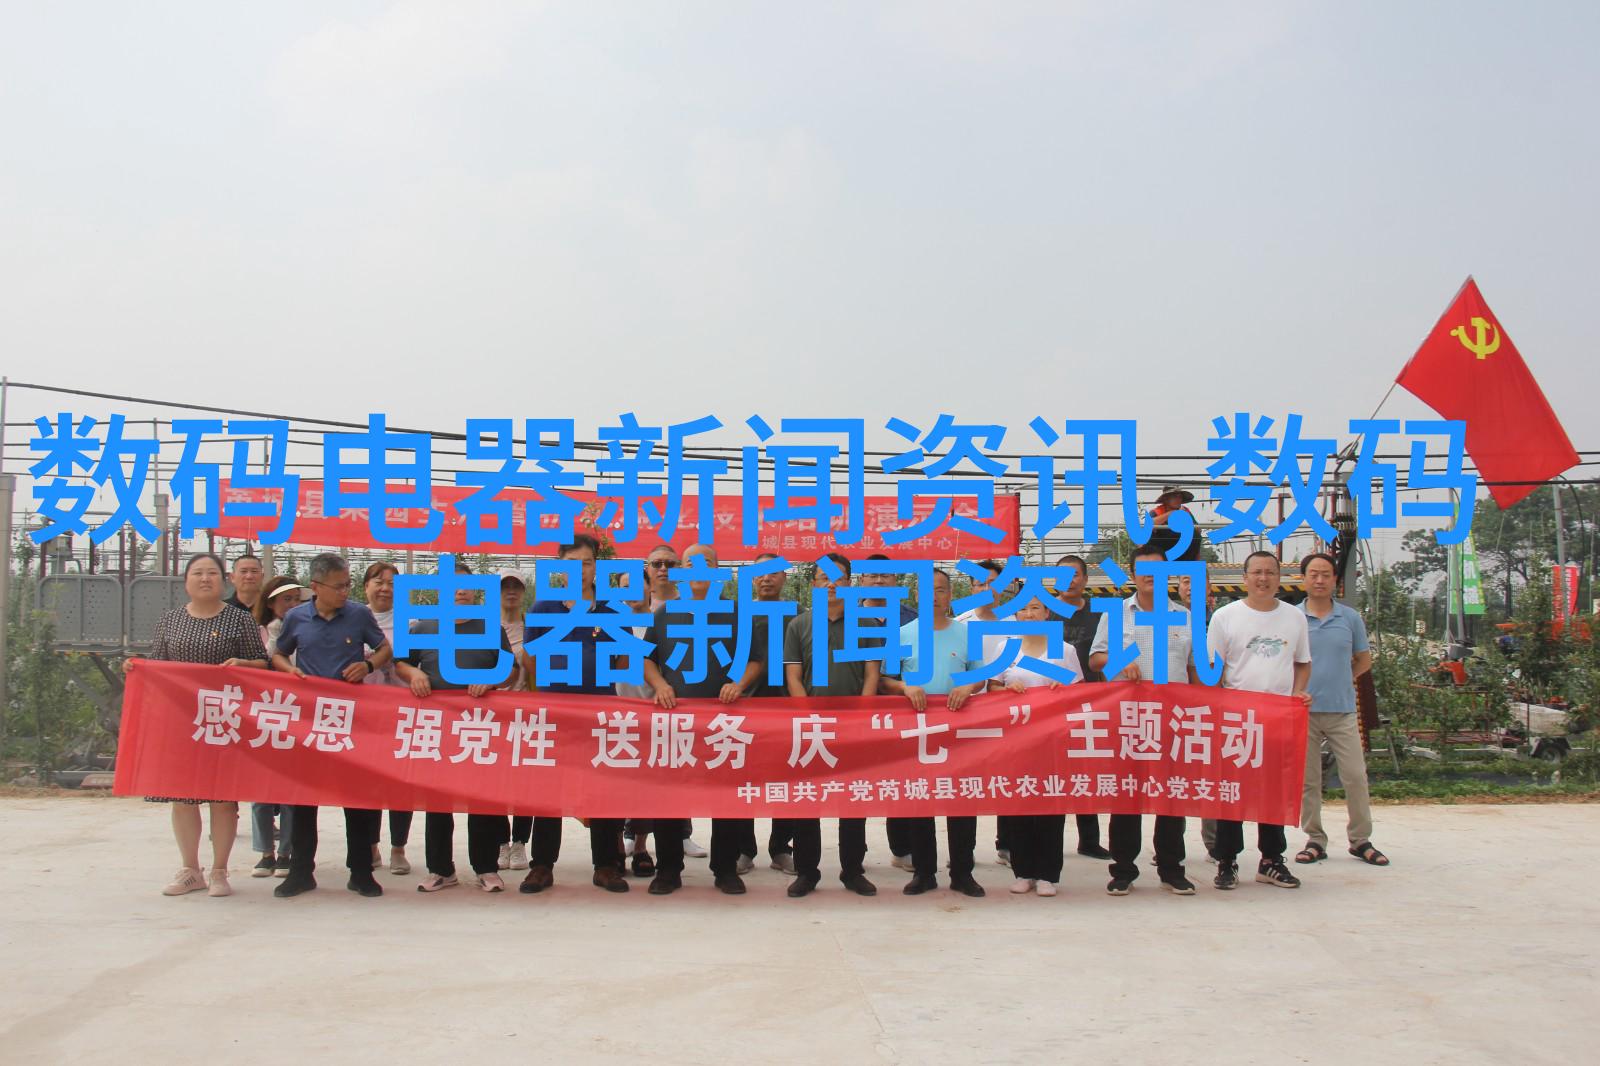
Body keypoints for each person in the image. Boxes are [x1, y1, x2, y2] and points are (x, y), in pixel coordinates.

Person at [134, 552, 268, 897]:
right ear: (186, 582)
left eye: (212, 573)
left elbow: (263, 664)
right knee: (184, 797)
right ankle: (190, 869)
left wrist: (243, 664)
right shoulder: (170, 620)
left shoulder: (239, 619)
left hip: (224, 721)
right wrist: (136, 669)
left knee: (222, 798)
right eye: (198, 573)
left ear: (224, 581)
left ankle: (220, 870)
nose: (205, 579)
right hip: (180, 722)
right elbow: (157, 666)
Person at [641, 544, 770, 894]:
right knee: (669, 797)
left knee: (724, 797)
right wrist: (660, 685)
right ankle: (668, 870)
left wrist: (738, 683)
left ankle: (725, 869)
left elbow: (755, 660)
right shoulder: (665, 614)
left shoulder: (736, 614)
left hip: (723, 722)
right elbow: (647, 659)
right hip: (676, 720)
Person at [270, 552, 394, 899]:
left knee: (356, 798)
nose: (345, 592)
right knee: (303, 799)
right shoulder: (296, 617)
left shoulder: (358, 614)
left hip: (350, 720)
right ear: (316, 586)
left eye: (347, 585)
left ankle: (361, 872)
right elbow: (278, 653)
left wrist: (367, 667)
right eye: (338, 586)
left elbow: (384, 649)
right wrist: (289, 670)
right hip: (309, 720)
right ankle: (300, 872)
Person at [394, 560, 517, 893]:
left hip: (479, 728)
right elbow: (400, 663)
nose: (460, 591)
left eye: (465, 585)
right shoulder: (422, 627)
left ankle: (486, 868)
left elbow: (511, 670)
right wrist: (414, 673)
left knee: (482, 799)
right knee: (437, 801)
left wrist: (491, 680)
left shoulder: (490, 627)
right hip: (437, 728)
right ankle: (440, 869)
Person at [520, 534, 629, 894]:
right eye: (572, 563)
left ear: (596, 566)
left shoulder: (612, 609)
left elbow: (624, 659)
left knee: (603, 789)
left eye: (587, 562)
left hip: (600, 715)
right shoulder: (544, 608)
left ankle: (606, 865)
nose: (580, 570)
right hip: (555, 715)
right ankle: (542, 865)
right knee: (548, 790)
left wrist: (598, 683)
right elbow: (531, 658)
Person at [1089, 542, 1199, 897]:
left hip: (1174, 721)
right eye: (1144, 571)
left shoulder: (1185, 615)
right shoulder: (1116, 614)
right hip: (1128, 720)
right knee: (1127, 796)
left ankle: (1171, 868)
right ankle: (1123, 869)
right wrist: (1119, 661)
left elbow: (1195, 669)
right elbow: (1095, 658)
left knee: (1171, 795)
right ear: (1133, 575)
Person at [1206, 551, 1312, 891]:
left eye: (1270, 572)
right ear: (1245, 577)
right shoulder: (1225, 617)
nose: (1263, 578)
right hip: (1236, 719)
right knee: (1232, 791)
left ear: (1279, 578)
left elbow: (1303, 662)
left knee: (1273, 791)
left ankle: (1271, 860)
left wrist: (1297, 693)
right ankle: (1226, 860)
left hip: (1278, 718)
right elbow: (1213, 670)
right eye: (1256, 572)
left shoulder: (1294, 617)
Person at [880, 568, 986, 897]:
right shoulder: (902, 634)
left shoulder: (967, 633)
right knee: (920, 801)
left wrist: (968, 687)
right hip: (918, 729)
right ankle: (924, 872)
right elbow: (886, 680)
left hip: (959, 729)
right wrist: (905, 687)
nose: (934, 597)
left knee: (961, 802)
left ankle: (962, 873)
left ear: (950, 595)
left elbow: (980, 676)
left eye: (940, 590)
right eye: (927, 591)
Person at [782, 553, 881, 897]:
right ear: (814, 584)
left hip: (853, 726)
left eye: (839, 578)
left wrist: (861, 719)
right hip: (812, 728)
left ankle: (852, 870)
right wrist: (809, 718)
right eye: (824, 578)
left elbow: (872, 675)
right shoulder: (799, 625)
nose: (831, 584)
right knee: (807, 801)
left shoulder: (867, 625)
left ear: (850, 583)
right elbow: (793, 677)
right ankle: (807, 872)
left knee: (853, 801)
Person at [1294, 553, 1385, 867]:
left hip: (1342, 711)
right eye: (1314, 574)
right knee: (1308, 781)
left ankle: (1360, 840)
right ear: (1303, 579)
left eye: (1326, 574)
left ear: (1335, 580)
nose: (1319, 580)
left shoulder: (1350, 618)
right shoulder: (1292, 618)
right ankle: (1314, 839)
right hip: (1303, 712)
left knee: (1355, 776)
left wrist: (1344, 678)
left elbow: (1364, 659)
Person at [988, 595, 1080, 897]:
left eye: (1035, 608)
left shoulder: (1064, 650)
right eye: (1022, 609)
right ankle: (1023, 871)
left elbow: (1079, 691)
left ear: (1047, 613)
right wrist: (1006, 689)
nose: (1029, 614)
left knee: (1051, 804)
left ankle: (1048, 874)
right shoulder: (1005, 649)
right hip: (1016, 740)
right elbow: (992, 686)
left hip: (1053, 740)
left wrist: (1062, 688)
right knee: (1020, 803)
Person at [740, 552, 796, 876]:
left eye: (774, 573)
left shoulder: (799, 616)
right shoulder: (737, 615)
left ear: (785, 578)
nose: (766, 578)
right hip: (745, 708)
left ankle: (781, 848)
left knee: (786, 781)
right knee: (742, 780)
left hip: (786, 708)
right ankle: (743, 848)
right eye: (760, 573)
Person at [248, 576, 307, 878]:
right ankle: (265, 852)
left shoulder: (307, 628)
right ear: (270, 603)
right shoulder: (255, 631)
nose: (293, 604)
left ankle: (286, 851)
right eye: (287, 599)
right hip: (262, 714)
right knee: (261, 791)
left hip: (298, 714)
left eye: (297, 599)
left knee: (290, 792)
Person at [360, 561, 414, 876]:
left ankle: (398, 848)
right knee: (366, 785)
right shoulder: (352, 619)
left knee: (400, 786)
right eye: (378, 582)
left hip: (400, 715)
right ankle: (370, 845)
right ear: (365, 586)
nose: (385, 588)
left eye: (392, 583)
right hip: (363, 716)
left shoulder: (411, 623)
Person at [1055, 554, 1111, 860]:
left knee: (1085, 771)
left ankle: (1089, 840)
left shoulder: (1100, 614)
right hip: (1049, 704)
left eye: (1075, 574)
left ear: (1086, 579)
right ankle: (1048, 839)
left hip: (1090, 702)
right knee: (1050, 771)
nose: (1070, 580)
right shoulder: (1043, 612)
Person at [496, 568, 534, 871]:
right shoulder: (483, 627)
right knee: (495, 781)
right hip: (493, 714)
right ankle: (501, 841)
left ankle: (520, 842)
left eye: (516, 586)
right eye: (504, 586)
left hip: (526, 713)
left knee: (526, 781)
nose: (511, 591)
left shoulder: (532, 627)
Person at [1150, 486, 1202, 561]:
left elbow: (1198, 530)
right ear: (1166, 499)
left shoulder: (1185, 511)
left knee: (1195, 535)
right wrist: (1171, 513)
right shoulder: (1156, 511)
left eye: (1180, 497)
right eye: (1174, 497)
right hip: (1163, 549)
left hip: (1183, 551)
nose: (1178, 500)